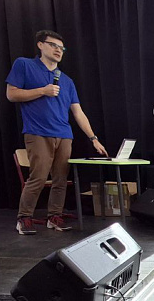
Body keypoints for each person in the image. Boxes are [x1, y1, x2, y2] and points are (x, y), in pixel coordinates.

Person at [7, 29, 107, 235]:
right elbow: (12, 94)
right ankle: (24, 218)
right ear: (40, 45)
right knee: (38, 177)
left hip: (64, 135)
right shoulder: (24, 65)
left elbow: (78, 112)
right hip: (38, 132)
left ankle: (54, 216)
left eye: (62, 48)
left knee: (60, 179)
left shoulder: (67, 81)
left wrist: (93, 138)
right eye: (53, 45)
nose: (58, 50)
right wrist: (43, 91)